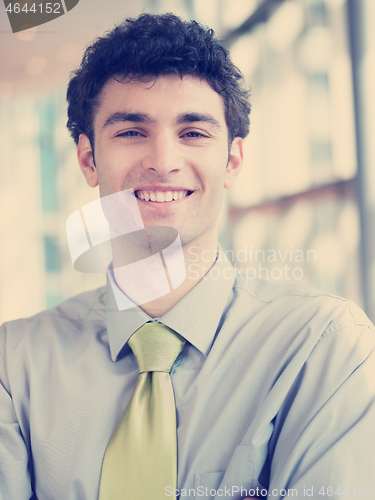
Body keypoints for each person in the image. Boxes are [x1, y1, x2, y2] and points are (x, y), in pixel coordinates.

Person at [1, 12, 374, 500]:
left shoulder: (324, 348)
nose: (163, 160)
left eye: (193, 133)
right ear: (89, 160)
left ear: (231, 161)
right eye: (132, 132)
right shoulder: (15, 364)